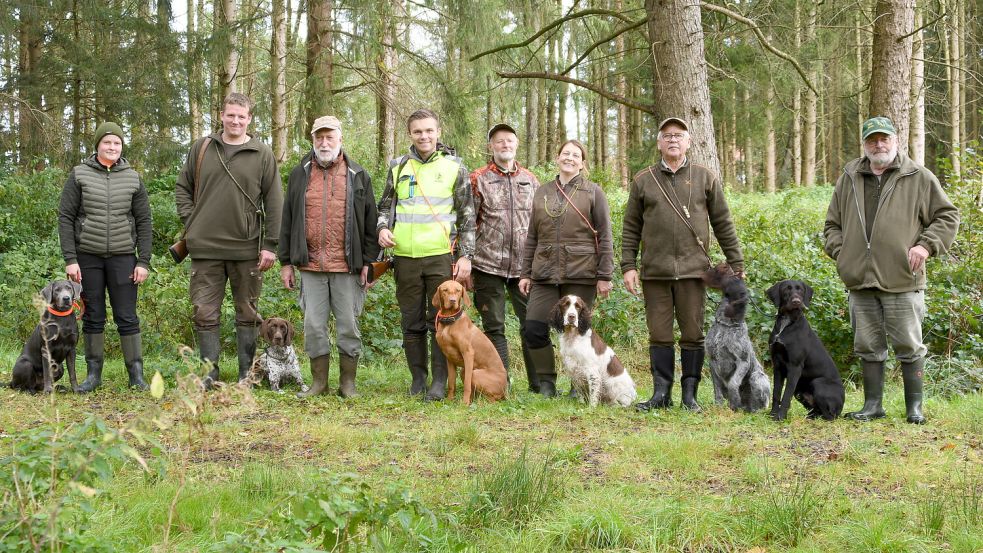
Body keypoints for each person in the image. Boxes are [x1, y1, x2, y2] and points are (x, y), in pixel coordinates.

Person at [824, 116, 959, 424]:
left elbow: (947, 217)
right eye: (872, 140)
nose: (879, 144)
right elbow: (832, 224)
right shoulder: (850, 176)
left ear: (896, 140)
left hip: (903, 278)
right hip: (859, 279)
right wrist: (842, 253)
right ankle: (873, 406)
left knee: (910, 347)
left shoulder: (918, 177)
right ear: (864, 144)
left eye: (884, 138)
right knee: (867, 346)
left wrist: (926, 246)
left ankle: (914, 408)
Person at [622, 117, 744, 413]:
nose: (672, 140)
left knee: (692, 334)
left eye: (678, 135)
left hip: (694, 272)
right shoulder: (643, 179)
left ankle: (690, 396)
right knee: (659, 334)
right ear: (659, 143)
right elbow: (631, 227)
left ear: (689, 141)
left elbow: (723, 222)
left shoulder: (705, 176)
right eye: (667, 136)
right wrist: (628, 265)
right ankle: (660, 394)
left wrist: (736, 261)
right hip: (655, 273)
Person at [175, 92, 283, 387]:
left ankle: (246, 376)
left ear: (249, 119)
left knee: (247, 312)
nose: (235, 120)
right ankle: (209, 376)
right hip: (205, 248)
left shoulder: (262, 153)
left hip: (247, 248)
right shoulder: (201, 148)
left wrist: (270, 245)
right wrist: (191, 220)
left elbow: (275, 202)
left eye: (242, 116)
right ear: (221, 116)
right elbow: (183, 187)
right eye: (230, 115)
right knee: (204, 312)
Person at [377, 109, 475, 401]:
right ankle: (418, 379)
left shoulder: (454, 166)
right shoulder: (397, 166)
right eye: (418, 131)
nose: (424, 136)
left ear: (438, 131)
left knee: (442, 320)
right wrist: (383, 229)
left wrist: (466, 255)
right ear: (410, 134)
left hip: (440, 255)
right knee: (411, 321)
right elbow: (384, 207)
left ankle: (439, 382)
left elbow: (467, 214)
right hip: (405, 256)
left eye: (429, 131)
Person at [279, 115, 379, 399]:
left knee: (348, 326)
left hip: (347, 266)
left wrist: (370, 264)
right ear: (313, 140)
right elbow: (288, 219)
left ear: (340, 140)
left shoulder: (358, 174)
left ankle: (348, 384)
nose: (324, 143)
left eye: (329, 137)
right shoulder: (300, 172)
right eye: (319, 137)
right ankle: (319, 383)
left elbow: (370, 224)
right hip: (310, 265)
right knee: (313, 326)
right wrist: (286, 261)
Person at [58, 122, 152, 392]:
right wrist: (70, 259)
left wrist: (143, 261)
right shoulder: (79, 175)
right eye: (107, 142)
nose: (112, 147)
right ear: (98, 145)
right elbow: (65, 217)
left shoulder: (133, 177)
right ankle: (93, 376)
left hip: (124, 257)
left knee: (127, 316)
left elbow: (144, 221)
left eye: (117, 143)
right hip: (87, 257)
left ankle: (136, 376)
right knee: (93, 315)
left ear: (122, 147)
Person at [518, 139, 614, 398]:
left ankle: (577, 387)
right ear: (557, 158)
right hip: (545, 272)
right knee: (534, 328)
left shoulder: (594, 192)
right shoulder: (542, 192)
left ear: (582, 163)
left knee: (580, 331)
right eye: (565, 154)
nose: (570, 158)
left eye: (576, 155)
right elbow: (532, 236)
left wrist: (604, 275)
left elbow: (605, 235)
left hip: (582, 271)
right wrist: (526, 272)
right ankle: (547, 383)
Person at [469, 123, 541, 392]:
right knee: (494, 326)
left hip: (524, 268)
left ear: (517, 144)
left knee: (532, 324)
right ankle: (501, 383)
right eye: (499, 141)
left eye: (509, 140)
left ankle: (540, 384)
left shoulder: (531, 180)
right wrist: (463, 260)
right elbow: (467, 223)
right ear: (491, 146)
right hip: (488, 265)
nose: (505, 145)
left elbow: (540, 224)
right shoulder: (477, 178)